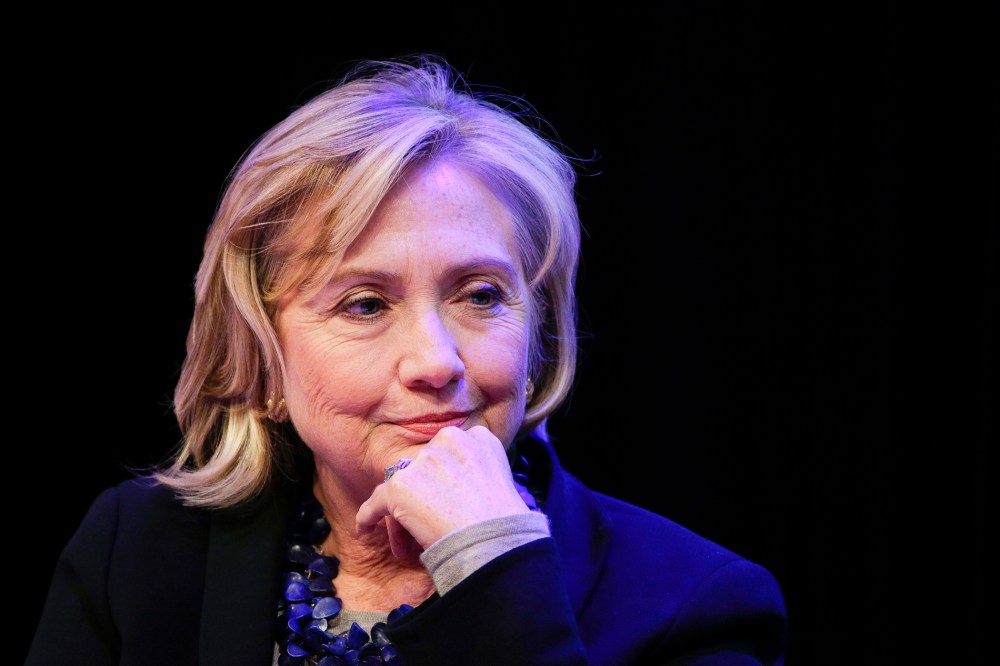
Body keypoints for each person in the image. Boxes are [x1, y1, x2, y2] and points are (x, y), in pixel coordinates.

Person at [26, 54, 787, 665]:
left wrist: (491, 567)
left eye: (481, 295)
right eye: (365, 304)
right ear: (260, 358)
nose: (435, 361)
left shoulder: (695, 602)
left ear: (539, 330)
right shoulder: (137, 553)